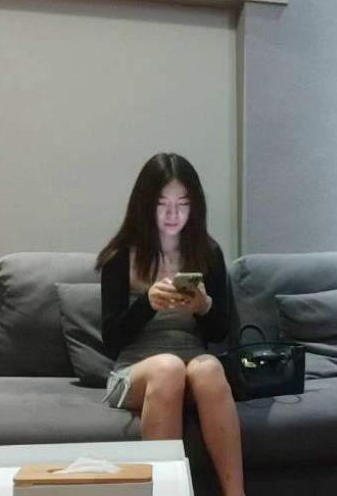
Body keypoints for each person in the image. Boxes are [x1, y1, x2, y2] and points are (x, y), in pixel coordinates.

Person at [96, 152, 244, 496]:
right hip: (137, 374)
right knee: (168, 367)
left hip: (194, 374)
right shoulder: (122, 257)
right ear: (145, 205)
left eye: (183, 204)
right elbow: (111, 339)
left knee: (208, 367)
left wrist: (204, 307)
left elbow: (219, 332)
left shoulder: (207, 253)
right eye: (162, 204)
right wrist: (146, 303)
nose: (173, 214)